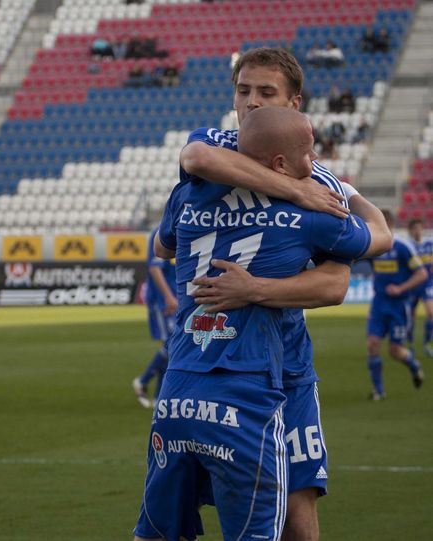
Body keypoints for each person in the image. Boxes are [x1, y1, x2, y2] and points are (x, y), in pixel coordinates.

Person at [167, 47, 391, 541]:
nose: (250, 102)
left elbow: (336, 281)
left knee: (297, 502)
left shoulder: (321, 180)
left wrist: (255, 288)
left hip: (284, 363)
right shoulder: (212, 148)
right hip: (207, 359)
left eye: (266, 92)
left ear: (295, 105)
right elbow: (195, 158)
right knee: (175, 508)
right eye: (243, 91)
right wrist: (292, 190)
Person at [366, 210, 428, 400]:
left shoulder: (402, 247)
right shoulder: (373, 246)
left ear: (388, 224)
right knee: (373, 344)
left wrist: (401, 288)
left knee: (395, 351)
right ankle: (379, 391)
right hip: (379, 303)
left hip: (399, 306)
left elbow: (422, 274)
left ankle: (414, 365)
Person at [133, 227, 178, 408]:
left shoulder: (181, 226)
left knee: (171, 349)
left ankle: (160, 397)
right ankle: (143, 381)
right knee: (171, 345)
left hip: (176, 299)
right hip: (163, 301)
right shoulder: (161, 230)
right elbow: (155, 268)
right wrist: (168, 297)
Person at [407, 218, 433, 356]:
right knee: (410, 317)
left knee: (431, 313)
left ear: (423, 229)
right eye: (415, 228)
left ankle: (427, 344)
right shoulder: (409, 246)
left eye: (419, 228)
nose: (417, 231)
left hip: (427, 284)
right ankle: (410, 344)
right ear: (411, 231)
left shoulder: (430, 244)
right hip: (413, 284)